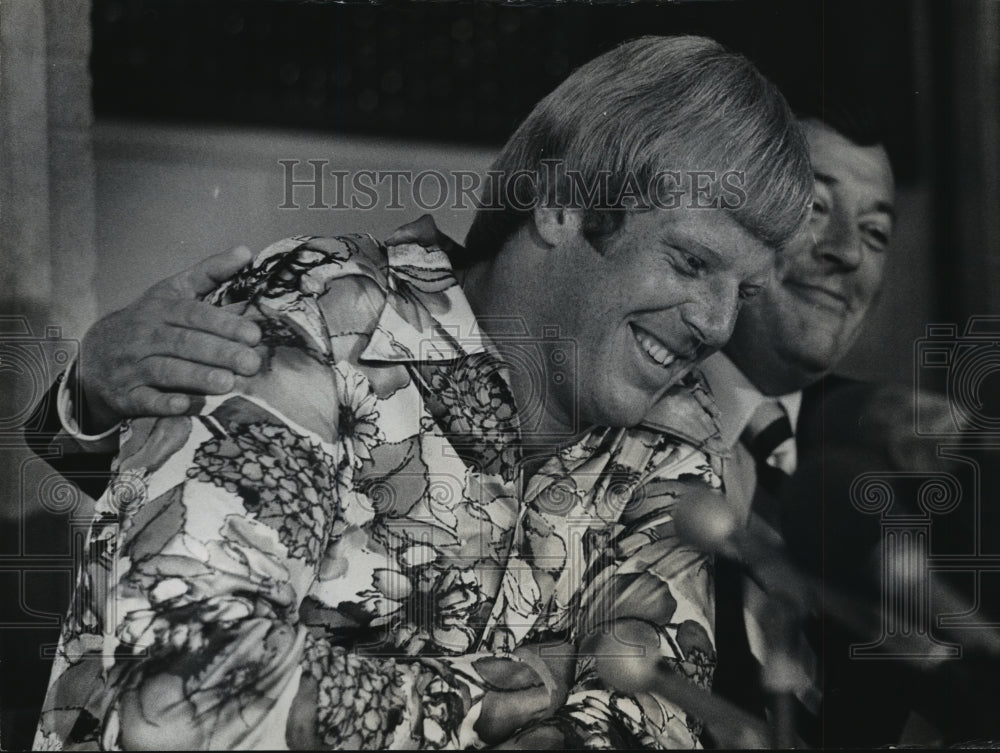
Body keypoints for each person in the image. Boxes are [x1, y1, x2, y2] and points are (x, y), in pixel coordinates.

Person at [27, 35, 812, 750]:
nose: (715, 322)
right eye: (689, 263)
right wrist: (498, 700)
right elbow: (186, 697)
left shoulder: (675, 428)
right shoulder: (318, 316)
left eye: (742, 291)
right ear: (561, 202)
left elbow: (657, 727)